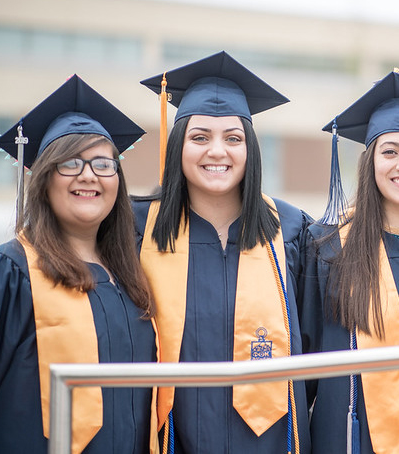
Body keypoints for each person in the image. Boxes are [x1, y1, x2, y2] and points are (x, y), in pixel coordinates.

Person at [132, 51, 312, 454]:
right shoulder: (137, 229)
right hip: (171, 439)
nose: (218, 151)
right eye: (200, 138)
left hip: (274, 439)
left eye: (233, 138)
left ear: (251, 149)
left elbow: (314, 345)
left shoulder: (292, 229)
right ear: (178, 144)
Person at [0, 75, 157, 454]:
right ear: (43, 179)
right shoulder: (6, 276)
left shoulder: (133, 282)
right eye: (71, 163)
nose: (89, 175)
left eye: (104, 164)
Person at [302, 70, 399, 453]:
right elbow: (304, 358)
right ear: (370, 161)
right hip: (352, 435)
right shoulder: (328, 248)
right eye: (390, 151)